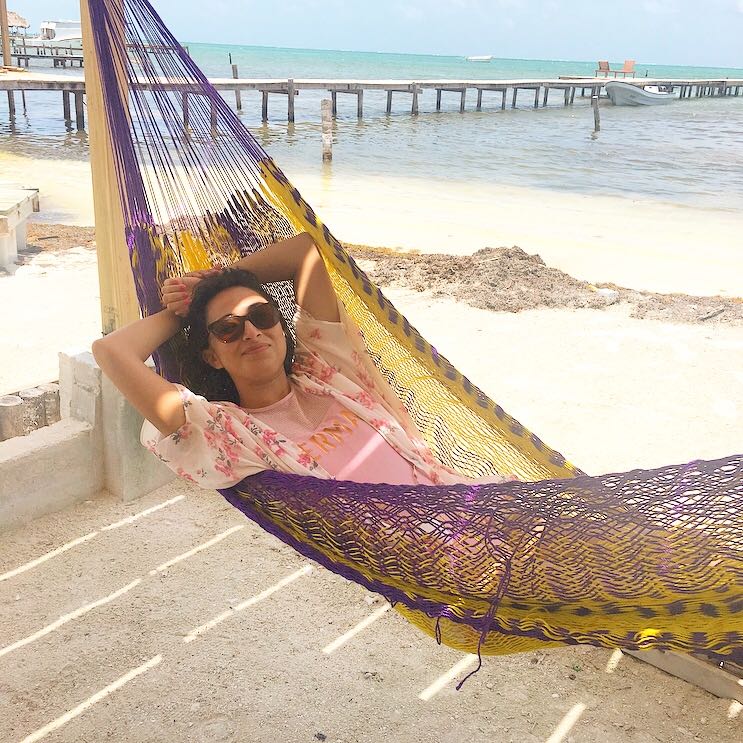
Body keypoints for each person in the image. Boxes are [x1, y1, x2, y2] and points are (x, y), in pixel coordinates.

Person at [92, 232, 515, 489]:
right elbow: (112, 352)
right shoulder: (228, 432)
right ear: (212, 356)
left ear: (280, 325)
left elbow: (305, 253)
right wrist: (180, 312)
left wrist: (216, 279)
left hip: (464, 497)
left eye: (260, 316)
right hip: (429, 549)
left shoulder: (326, 371)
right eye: (228, 329)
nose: (252, 332)